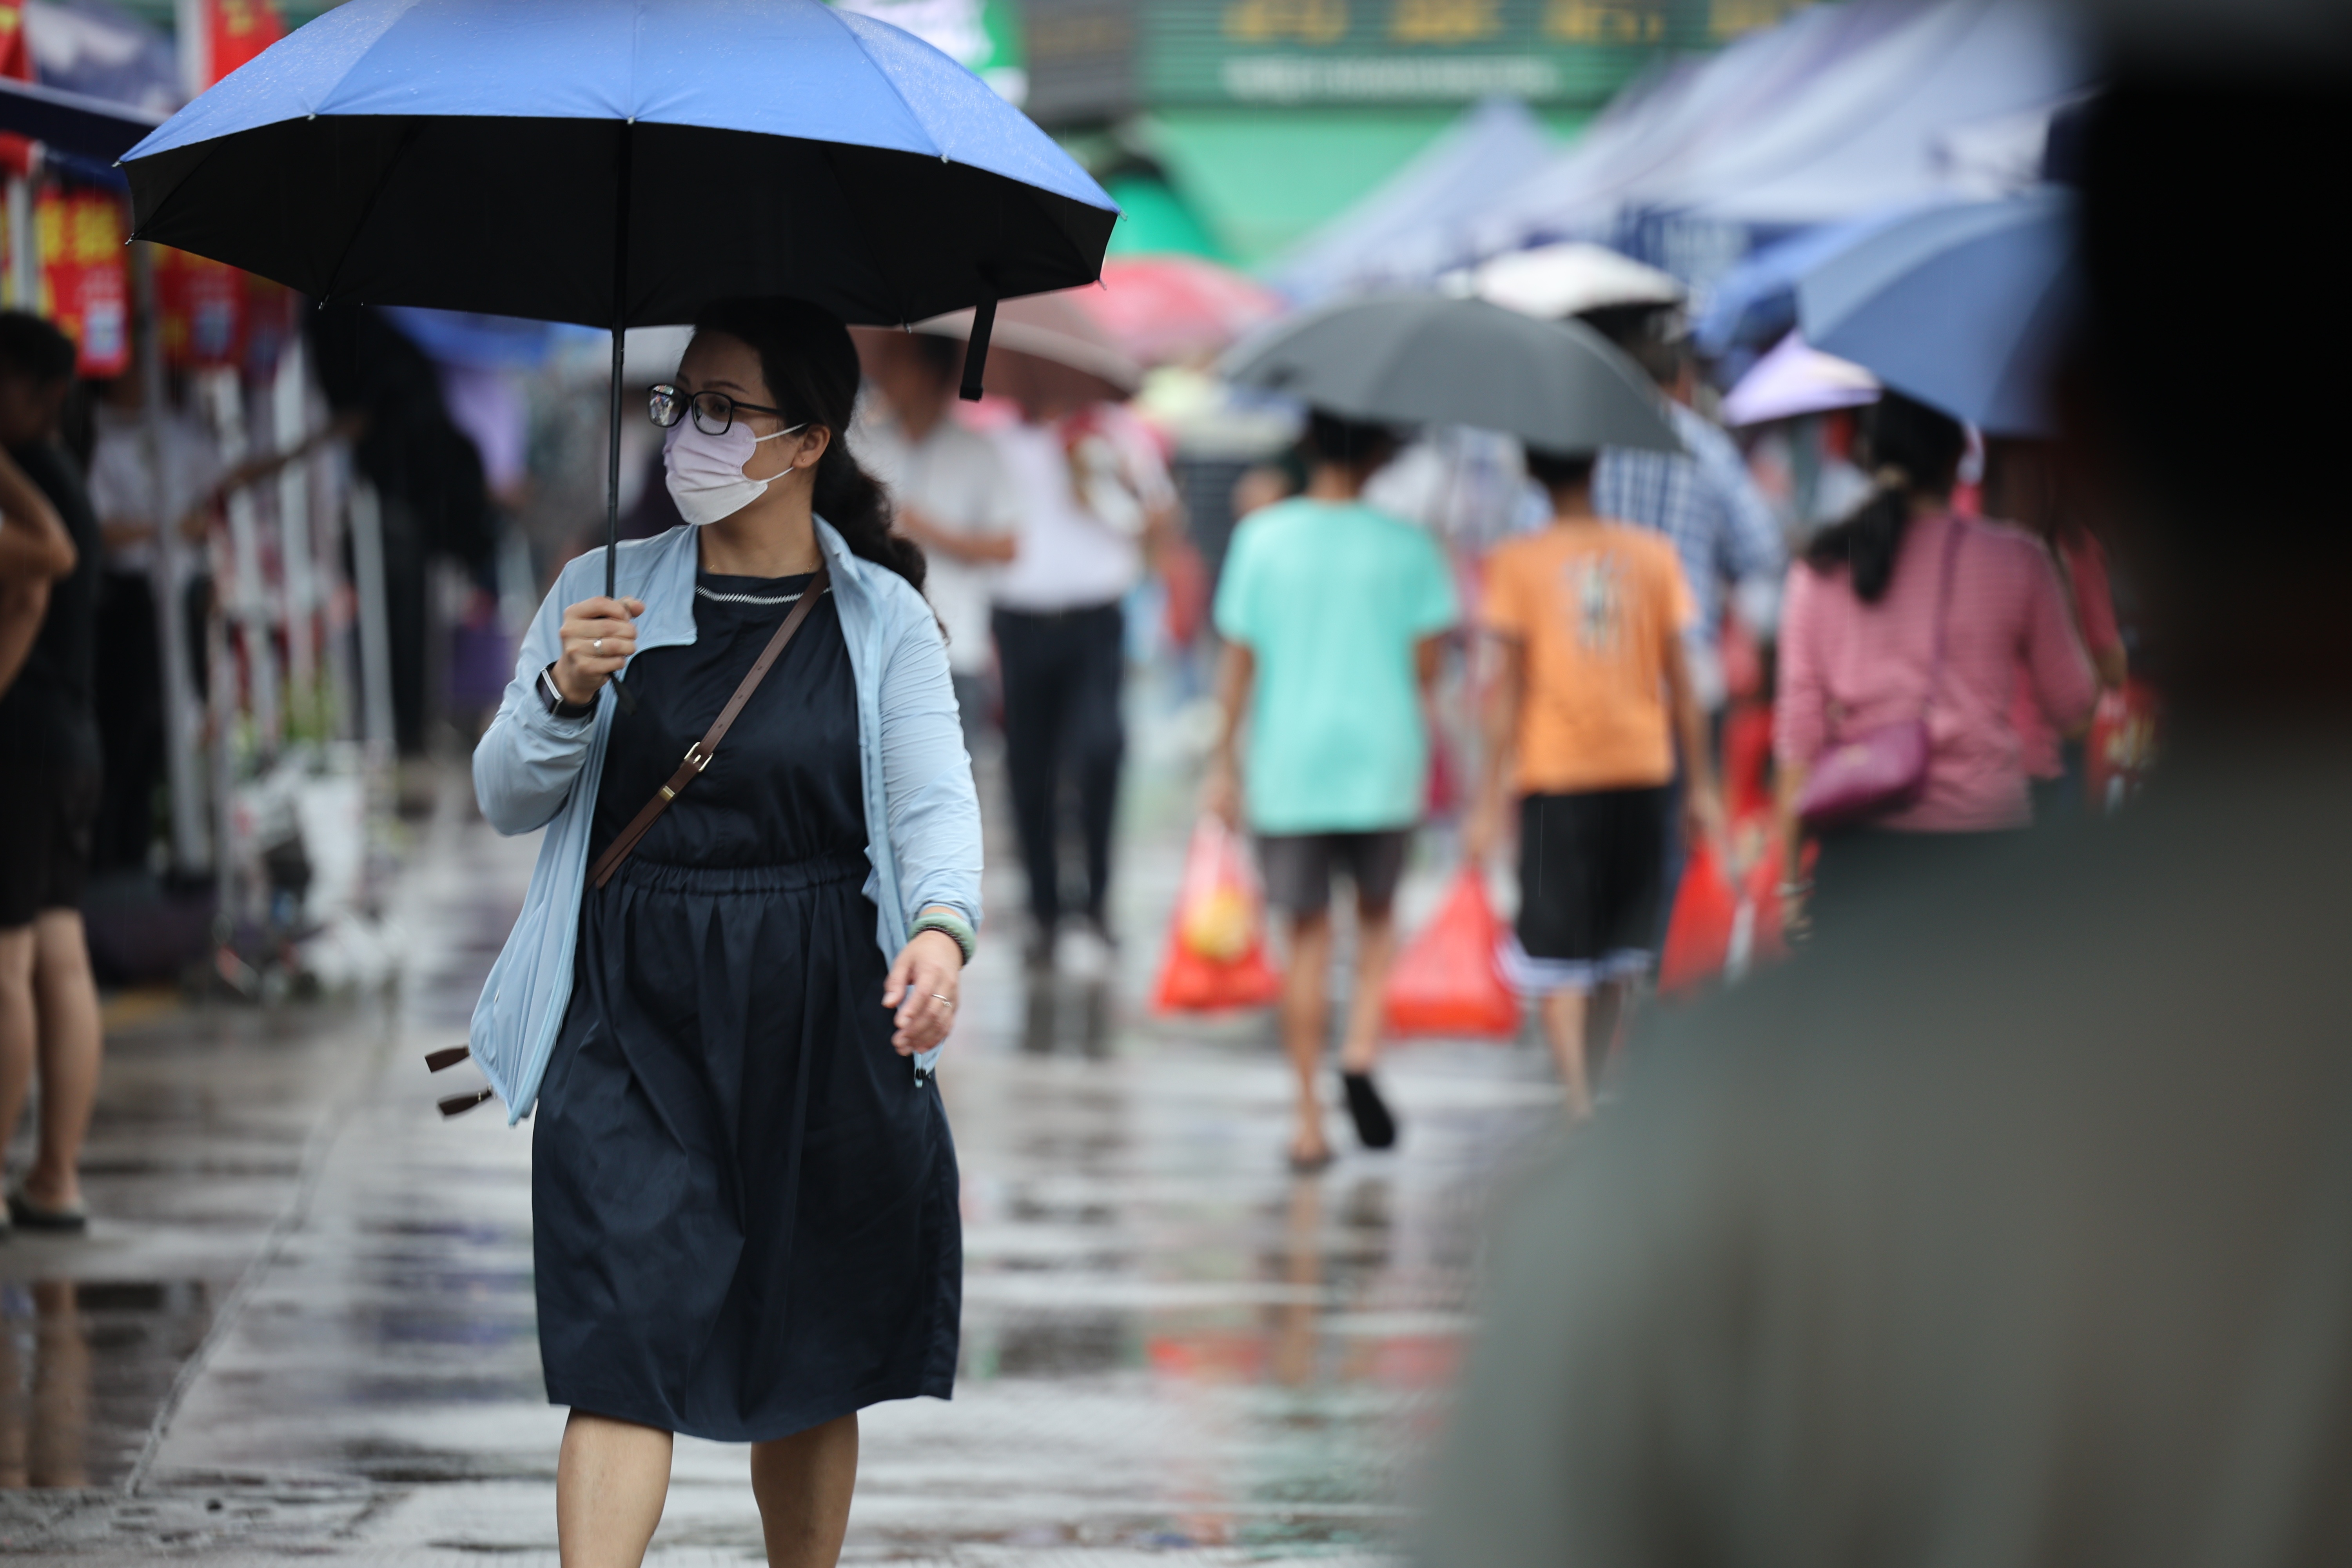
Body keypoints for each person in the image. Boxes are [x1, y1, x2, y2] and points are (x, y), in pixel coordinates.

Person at [1422, 47, 2352, 1564]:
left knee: (1584, 958)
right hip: (1950, 819)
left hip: (1861, 865)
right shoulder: (1911, 546)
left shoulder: (1752, 1136)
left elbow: (1777, 710)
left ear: (2087, 425)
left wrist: (1775, 829)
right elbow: (2050, 700)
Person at [469, 297, 978, 1568]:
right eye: (676, 403)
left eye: (721, 408)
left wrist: (941, 934)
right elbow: (502, 795)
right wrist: (561, 692)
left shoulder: (882, 620)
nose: (685, 433)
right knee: (617, 1337)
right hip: (630, 1008)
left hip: (819, 1006)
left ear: (807, 440)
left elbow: (930, 801)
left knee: (808, 1352)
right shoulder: (602, 594)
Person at [1205, 411, 1457, 1171]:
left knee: (1307, 939)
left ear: (1308, 444)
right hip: (1383, 761)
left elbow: (1238, 665)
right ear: (1381, 452)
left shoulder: (1262, 538)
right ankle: (1361, 1046)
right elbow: (1427, 670)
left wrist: (1223, 761)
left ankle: (1309, 1119)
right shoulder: (1411, 544)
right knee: (1377, 921)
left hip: (1290, 765)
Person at [1774, 394, 2099, 934]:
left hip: (1860, 861)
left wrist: (1792, 886)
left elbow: (1798, 744)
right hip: (1988, 859)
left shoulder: (1820, 571)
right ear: (1958, 460)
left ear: (1864, 455)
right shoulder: (2019, 560)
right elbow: (2076, 712)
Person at [1466, 445, 1722, 1118]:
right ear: (1596, 469)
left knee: (1559, 957)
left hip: (1556, 777)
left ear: (1534, 474)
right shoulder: (1653, 555)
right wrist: (1703, 786)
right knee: (1618, 953)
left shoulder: (1517, 563)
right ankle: (1599, 1099)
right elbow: (1686, 686)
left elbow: (1508, 694)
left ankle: (1581, 1104)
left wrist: (1488, 803)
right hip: (1642, 769)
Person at [989, 379, 1177, 971]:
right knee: (1029, 765)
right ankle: (1044, 909)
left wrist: (1103, 478)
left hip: (1096, 617)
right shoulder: (999, 438)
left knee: (1099, 750)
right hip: (1020, 618)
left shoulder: (1112, 434)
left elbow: (1159, 520)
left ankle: (1096, 902)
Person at [0, 312, 107, 1237]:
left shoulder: (26, 479)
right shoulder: (65, 475)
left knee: (9, 960)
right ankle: (55, 1175)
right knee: (58, 957)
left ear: (39, 393)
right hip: (73, 739)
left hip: (24, 741)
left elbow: (41, 573)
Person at [852, 330, 1020, 744]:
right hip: (867, 643)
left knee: (944, 795)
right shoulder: (861, 443)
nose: (883, 370)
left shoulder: (978, 451)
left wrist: (927, 529)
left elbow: (1008, 547)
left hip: (954, 646)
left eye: (897, 359)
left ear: (931, 372)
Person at [1983, 434, 2130, 822]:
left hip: (2011, 764)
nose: (2027, 491)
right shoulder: (2070, 548)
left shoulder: (1968, 541)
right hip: (2026, 765)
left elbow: (2107, 670)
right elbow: (2108, 668)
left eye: (2034, 478)